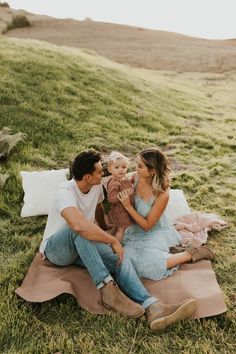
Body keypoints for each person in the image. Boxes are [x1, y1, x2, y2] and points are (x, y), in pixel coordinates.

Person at [39, 150, 197, 331]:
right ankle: (107, 289)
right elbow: (78, 225)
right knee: (81, 231)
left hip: (82, 246)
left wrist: (103, 227)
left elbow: (98, 206)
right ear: (88, 176)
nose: (104, 173)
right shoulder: (65, 191)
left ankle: (152, 306)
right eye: (100, 171)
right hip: (57, 250)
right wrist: (112, 240)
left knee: (120, 257)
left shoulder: (96, 186)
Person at [117, 147, 215, 282]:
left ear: (152, 171)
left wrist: (127, 206)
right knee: (124, 258)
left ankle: (190, 254)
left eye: (140, 166)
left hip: (154, 230)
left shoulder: (163, 193)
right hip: (134, 228)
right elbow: (117, 182)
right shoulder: (135, 177)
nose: (136, 169)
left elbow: (147, 226)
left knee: (143, 264)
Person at [107, 151, 134, 242]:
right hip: (119, 211)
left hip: (123, 210)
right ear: (110, 169)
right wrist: (125, 193)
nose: (121, 170)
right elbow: (111, 198)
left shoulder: (124, 179)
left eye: (124, 167)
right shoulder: (114, 182)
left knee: (116, 228)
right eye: (117, 167)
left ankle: (108, 241)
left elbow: (128, 185)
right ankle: (116, 247)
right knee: (121, 229)